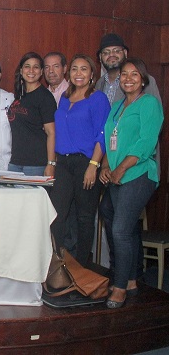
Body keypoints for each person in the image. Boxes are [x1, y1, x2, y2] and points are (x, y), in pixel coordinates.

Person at [95, 33, 163, 279]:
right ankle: (132, 277)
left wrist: (120, 169)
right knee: (114, 217)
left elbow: (146, 141)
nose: (129, 79)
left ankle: (121, 284)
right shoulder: (115, 105)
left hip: (138, 171)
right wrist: (103, 165)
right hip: (114, 174)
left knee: (121, 230)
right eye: (125, 75)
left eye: (134, 74)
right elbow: (108, 139)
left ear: (143, 79)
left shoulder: (148, 102)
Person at [49, 54, 111, 266]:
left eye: (84, 69)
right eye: (75, 69)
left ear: (92, 73)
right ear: (69, 72)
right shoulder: (65, 98)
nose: (79, 73)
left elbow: (103, 133)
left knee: (85, 218)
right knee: (57, 215)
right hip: (64, 164)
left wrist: (94, 165)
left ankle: (82, 267)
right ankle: (58, 263)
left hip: (86, 163)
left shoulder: (98, 98)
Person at [7, 52, 57, 176]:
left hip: (35, 164)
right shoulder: (20, 95)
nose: (31, 70)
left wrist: (51, 164)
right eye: (27, 66)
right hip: (15, 162)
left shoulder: (45, 97)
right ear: (21, 70)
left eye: (36, 67)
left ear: (41, 72)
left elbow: (51, 133)